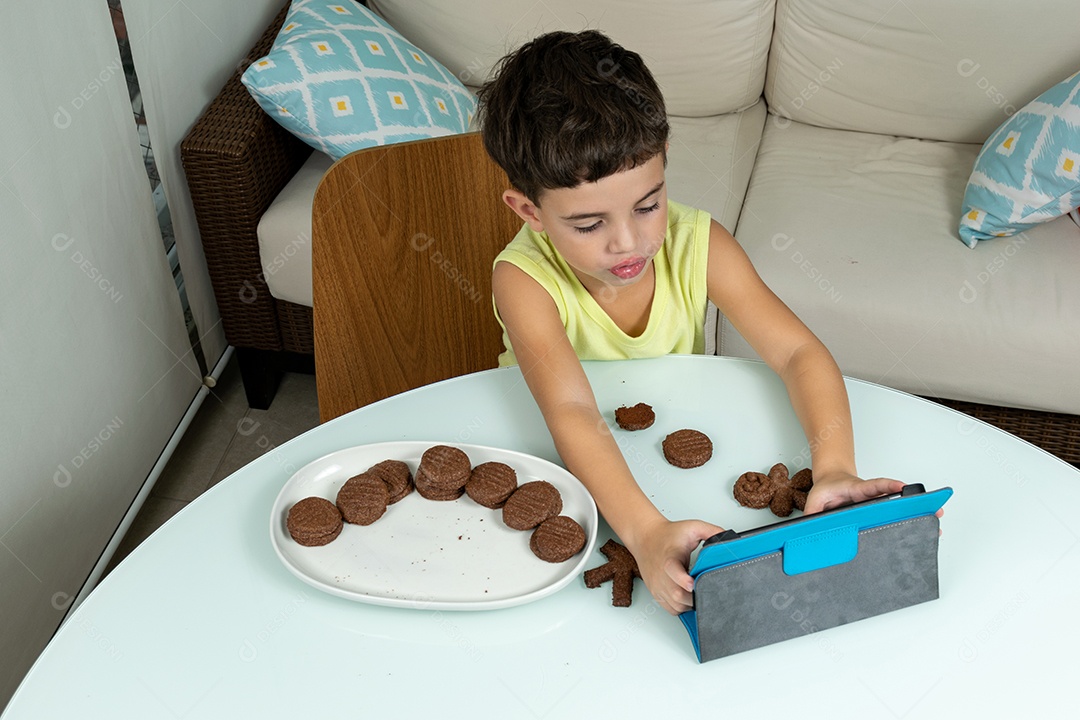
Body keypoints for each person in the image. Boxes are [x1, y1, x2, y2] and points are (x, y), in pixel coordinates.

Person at [475, 30, 903, 615]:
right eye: (588, 224)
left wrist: (834, 466)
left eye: (647, 205)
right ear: (530, 211)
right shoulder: (523, 281)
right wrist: (646, 532)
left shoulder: (700, 244)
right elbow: (571, 412)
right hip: (573, 464)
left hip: (678, 449)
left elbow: (798, 353)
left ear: (666, 160)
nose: (629, 242)